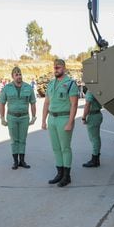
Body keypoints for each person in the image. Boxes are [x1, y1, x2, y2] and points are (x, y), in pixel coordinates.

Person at [42, 59, 78, 187]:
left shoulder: (70, 84)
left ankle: (67, 176)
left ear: (64, 68)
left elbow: (74, 104)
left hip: (64, 118)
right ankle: (59, 173)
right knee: (56, 148)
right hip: (52, 118)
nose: (56, 69)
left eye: (59, 67)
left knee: (65, 148)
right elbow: (46, 103)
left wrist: (70, 122)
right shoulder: (51, 84)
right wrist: (43, 121)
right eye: (55, 67)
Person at [0, 66, 37, 169]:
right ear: (12, 76)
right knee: (14, 140)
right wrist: (2, 118)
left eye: (20, 74)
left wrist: (34, 116)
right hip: (12, 117)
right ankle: (15, 162)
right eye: (16, 75)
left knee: (22, 139)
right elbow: (2, 104)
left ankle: (22, 161)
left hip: (24, 117)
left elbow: (33, 103)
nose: (19, 76)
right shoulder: (7, 88)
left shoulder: (28, 87)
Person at [81, 88, 103, 167]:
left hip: (93, 115)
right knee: (96, 138)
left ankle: (94, 160)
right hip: (98, 114)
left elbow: (87, 104)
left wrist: (83, 117)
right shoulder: (96, 88)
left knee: (94, 139)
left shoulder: (90, 90)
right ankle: (96, 158)